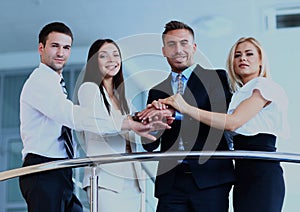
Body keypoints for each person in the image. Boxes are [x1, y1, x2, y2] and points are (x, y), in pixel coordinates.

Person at [19, 22, 169, 212]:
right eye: (55, 46)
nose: (61, 53)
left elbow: (129, 133)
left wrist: (151, 122)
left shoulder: (57, 83)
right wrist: (127, 122)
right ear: (41, 48)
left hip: (61, 170)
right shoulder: (41, 81)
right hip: (44, 167)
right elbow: (75, 116)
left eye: (66, 47)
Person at [158, 37, 289, 212]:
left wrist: (185, 108)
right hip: (242, 170)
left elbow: (232, 123)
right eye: (237, 55)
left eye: (249, 54)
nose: (243, 58)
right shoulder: (237, 94)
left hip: (262, 169)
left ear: (260, 61)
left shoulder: (264, 86)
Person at [139, 20, 235, 212]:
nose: (178, 49)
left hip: (210, 180)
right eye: (171, 44)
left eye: (184, 43)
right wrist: (154, 124)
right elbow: (149, 144)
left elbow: (222, 120)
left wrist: (177, 111)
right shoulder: (156, 92)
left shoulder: (217, 78)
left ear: (194, 47)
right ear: (164, 50)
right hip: (171, 183)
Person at [77, 39, 154, 211]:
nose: (112, 60)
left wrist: (151, 119)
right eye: (103, 56)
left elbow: (132, 130)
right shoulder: (88, 89)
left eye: (116, 55)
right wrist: (130, 124)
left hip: (132, 178)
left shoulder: (122, 97)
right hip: (106, 178)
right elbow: (99, 124)